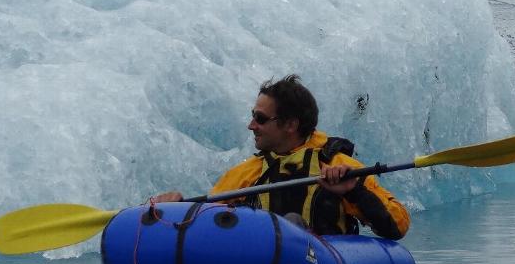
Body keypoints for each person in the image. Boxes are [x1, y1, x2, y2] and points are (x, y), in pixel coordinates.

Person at [153, 75, 409, 240]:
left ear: (290, 125)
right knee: (285, 225)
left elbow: (398, 225)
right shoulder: (247, 174)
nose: (251, 125)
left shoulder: (340, 167)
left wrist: (353, 192)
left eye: (261, 118)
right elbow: (205, 219)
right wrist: (175, 206)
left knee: (293, 224)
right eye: (253, 115)